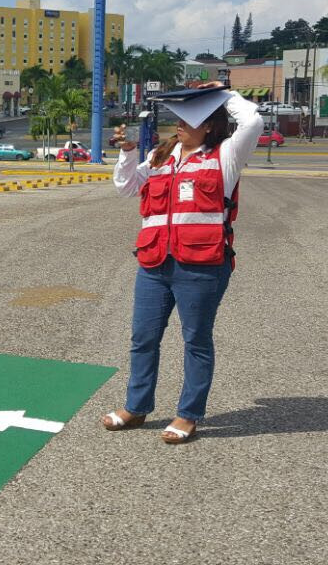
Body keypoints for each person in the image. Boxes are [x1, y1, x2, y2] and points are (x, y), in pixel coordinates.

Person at [103, 83, 263, 444]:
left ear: (208, 125)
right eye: (178, 117)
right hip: (154, 262)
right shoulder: (160, 157)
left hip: (201, 266)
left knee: (196, 341)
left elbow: (252, 122)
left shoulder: (225, 156)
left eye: (189, 118)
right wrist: (128, 153)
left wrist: (221, 94)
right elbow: (126, 187)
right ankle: (136, 407)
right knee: (143, 338)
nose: (179, 124)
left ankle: (188, 414)